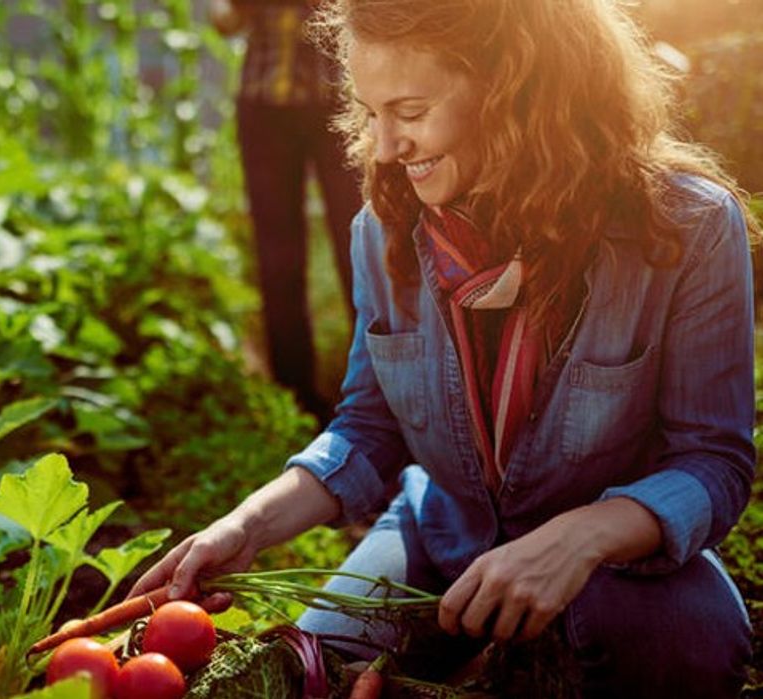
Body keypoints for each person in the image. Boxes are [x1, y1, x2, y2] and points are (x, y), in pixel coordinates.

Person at [133, 0, 758, 695]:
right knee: (317, 667)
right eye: (370, 114)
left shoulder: (686, 229)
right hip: (440, 534)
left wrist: (581, 536)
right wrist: (246, 525)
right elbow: (369, 429)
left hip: (613, 561)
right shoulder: (383, 228)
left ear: (517, 91)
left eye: (408, 110)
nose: (382, 149)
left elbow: (713, 461)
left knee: (691, 650)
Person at [210, 0, 364, 422]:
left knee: (359, 246)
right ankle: (295, 399)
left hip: (336, 101)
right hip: (264, 107)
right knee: (277, 259)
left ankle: (374, 391)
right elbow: (224, 20)